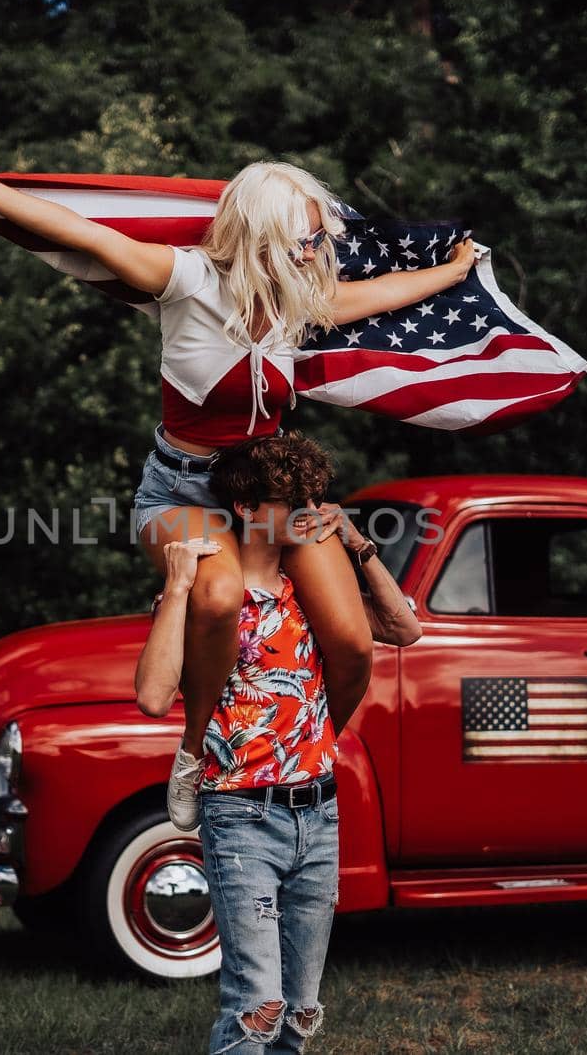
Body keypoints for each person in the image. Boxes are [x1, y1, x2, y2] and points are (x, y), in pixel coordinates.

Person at [0, 162, 475, 831]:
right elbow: (80, 232)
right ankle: (196, 751)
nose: (314, 251)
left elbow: (384, 293)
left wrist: (454, 271)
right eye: (302, 239)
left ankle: (310, 748)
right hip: (184, 488)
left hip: (272, 497)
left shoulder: (300, 297)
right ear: (262, 234)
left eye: (316, 239)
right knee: (217, 595)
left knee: (354, 643)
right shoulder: (185, 280)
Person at [134, 433, 420, 1054]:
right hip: (241, 816)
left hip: (318, 814)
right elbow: (155, 696)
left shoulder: (308, 598)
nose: (305, 515)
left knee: (300, 1010)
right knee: (255, 1006)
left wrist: (356, 542)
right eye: (291, 504)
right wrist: (178, 586)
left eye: (311, 501)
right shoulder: (210, 599)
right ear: (245, 509)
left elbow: (404, 628)